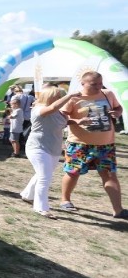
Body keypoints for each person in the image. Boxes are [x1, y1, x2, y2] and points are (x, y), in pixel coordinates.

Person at [59, 71, 128, 218]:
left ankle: (119, 210)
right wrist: (77, 121)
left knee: (110, 175)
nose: (98, 86)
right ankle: (65, 200)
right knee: (73, 173)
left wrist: (117, 113)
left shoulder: (108, 94)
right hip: (79, 144)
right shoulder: (73, 98)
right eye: (94, 84)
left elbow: (118, 108)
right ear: (83, 83)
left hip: (105, 144)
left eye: (100, 83)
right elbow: (61, 118)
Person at [19, 87, 79, 218]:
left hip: (54, 148)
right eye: (59, 97)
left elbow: (62, 122)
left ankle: (27, 195)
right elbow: (51, 110)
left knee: (42, 174)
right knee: (44, 177)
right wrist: (70, 96)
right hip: (37, 147)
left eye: (62, 97)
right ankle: (41, 207)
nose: (61, 100)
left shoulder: (60, 112)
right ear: (50, 97)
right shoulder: (39, 109)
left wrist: (79, 121)